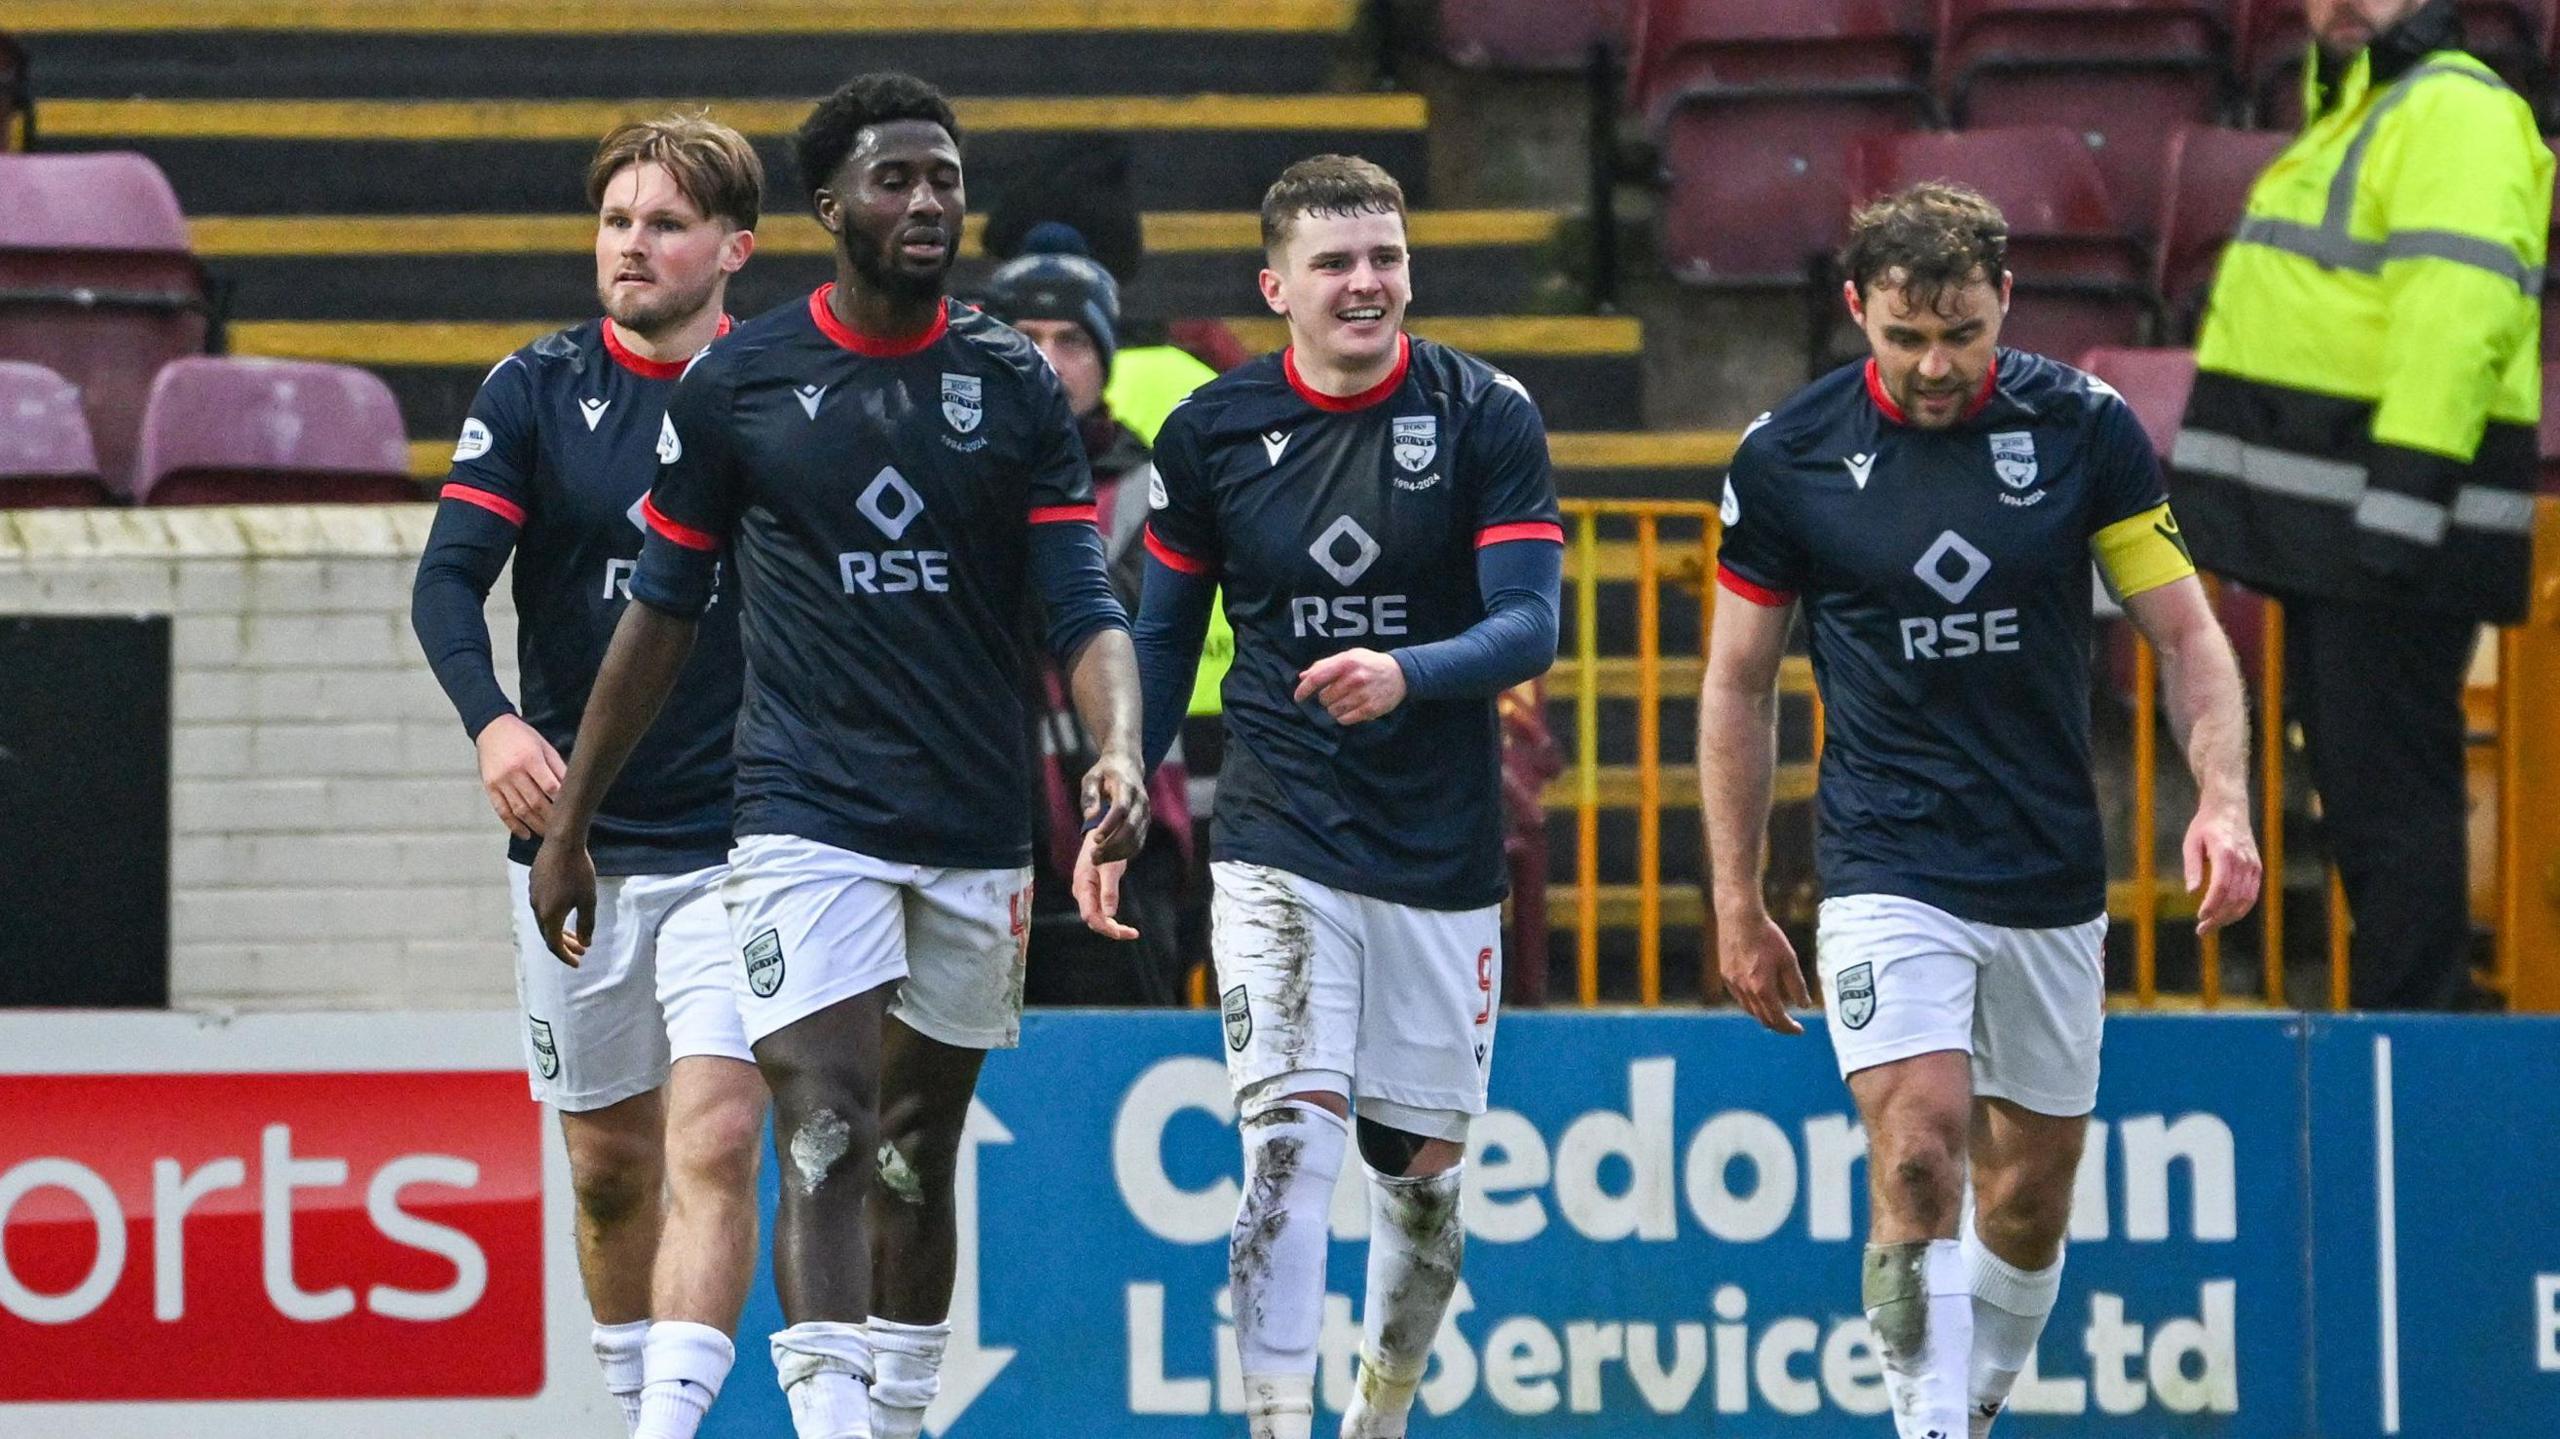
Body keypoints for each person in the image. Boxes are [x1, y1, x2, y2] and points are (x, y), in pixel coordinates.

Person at [527, 73, 1147, 1439]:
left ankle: (900, 1415)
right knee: (821, 1123)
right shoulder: (743, 383)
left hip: (976, 819)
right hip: (803, 813)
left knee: (920, 1152)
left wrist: (1122, 749)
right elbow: (659, 617)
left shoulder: (1008, 379)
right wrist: (573, 820)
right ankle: (832, 1423)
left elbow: (1084, 601)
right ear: (828, 207)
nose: (926, 201)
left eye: (944, 178)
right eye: (894, 180)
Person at [1700, 184, 2262, 1439]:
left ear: (2005, 299)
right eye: (1905, 338)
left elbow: (2186, 635)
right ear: (1857, 313)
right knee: (1916, 1150)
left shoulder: (2084, 430)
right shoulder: (1786, 455)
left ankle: (1974, 1405)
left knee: (2025, 1199)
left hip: (2046, 859)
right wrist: (1737, 898)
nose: (1936, 364)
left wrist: (2221, 800)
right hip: (1885, 853)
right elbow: (1738, 685)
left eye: (1960, 332)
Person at [1079, 154, 1564, 1439]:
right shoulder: (1214, 432)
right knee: (1287, 1144)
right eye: (1336, 263)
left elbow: (1530, 625)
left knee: (1418, 1193)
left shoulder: (1484, 412)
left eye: (1385, 259)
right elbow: (1166, 636)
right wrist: (1125, 769)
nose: (1366, 284)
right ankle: (1277, 1423)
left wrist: (1408, 672)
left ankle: (1380, 1409)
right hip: (1280, 836)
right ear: (1275, 285)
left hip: (1441, 850)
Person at [410, 114, 768, 1439]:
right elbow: (449, 579)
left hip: (750, 835)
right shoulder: (534, 390)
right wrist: (494, 725)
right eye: (618, 220)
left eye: (665, 222)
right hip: (582, 845)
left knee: (719, 1133)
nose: (633, 245)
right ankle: (636, 1410)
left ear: (735, 248)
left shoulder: (782, 389)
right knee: (611, 1172)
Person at [2170, 0, 2552, 1010]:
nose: (2340, 2)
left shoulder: (2453, 113)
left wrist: (2402, 506)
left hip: (2387, 528)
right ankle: (2409, 1022)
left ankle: (2415, 1038)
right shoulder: (2360, 105)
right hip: (2344, 530)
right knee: (2370, 794)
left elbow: (2454, 315)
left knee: (2388, 800)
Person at [977, 231, 1197, 1005]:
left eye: (1071, 340)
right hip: (982, 810)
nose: (1047, 360)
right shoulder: (947, 471)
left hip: (1121, 821)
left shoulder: (1150, 483)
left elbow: (1125, 611)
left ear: (1104, 356)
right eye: (1025, 339)